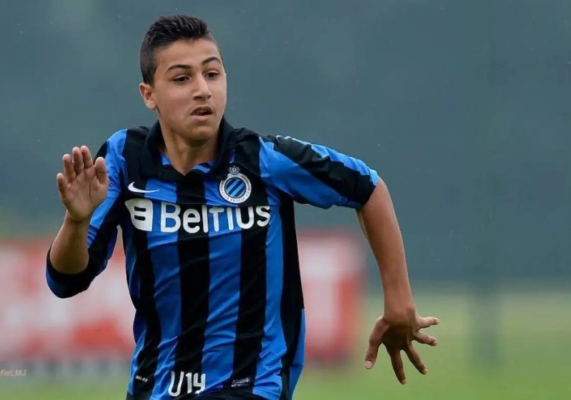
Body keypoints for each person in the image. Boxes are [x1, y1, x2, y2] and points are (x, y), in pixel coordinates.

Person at [45, 14, 439, 400]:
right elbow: (66, 280)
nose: (203, 90)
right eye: (182, 78)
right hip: (155, 387)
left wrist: (398, 301)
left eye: (212, 74)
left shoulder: (264, 160)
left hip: (252, 385)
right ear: (149, 95)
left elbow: (368, 187)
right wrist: (76, 221)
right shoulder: (123, 159)